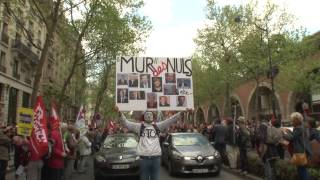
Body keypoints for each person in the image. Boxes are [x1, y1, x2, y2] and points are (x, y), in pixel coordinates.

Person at [116, 107, 186, 180]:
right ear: (144, 117)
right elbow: (126, 123)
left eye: (150, 114)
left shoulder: (158, 126)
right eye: (147, 114)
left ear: (153, 117)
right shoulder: (139, 127)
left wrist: (181, 113)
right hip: (144, 159)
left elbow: (170, 120)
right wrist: (120, 113)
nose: (149, 116)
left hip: (156, 159)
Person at [282, 112, 312, 180]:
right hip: (304, 150)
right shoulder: (302, 127)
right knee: (301, 169)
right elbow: (295, 136)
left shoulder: (298, 128)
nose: (291, 122)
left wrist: (283, 133)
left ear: (296, 120)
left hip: (300, 152)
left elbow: (291, 138)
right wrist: (289, 131)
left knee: (302, 170)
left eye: (292, 120)